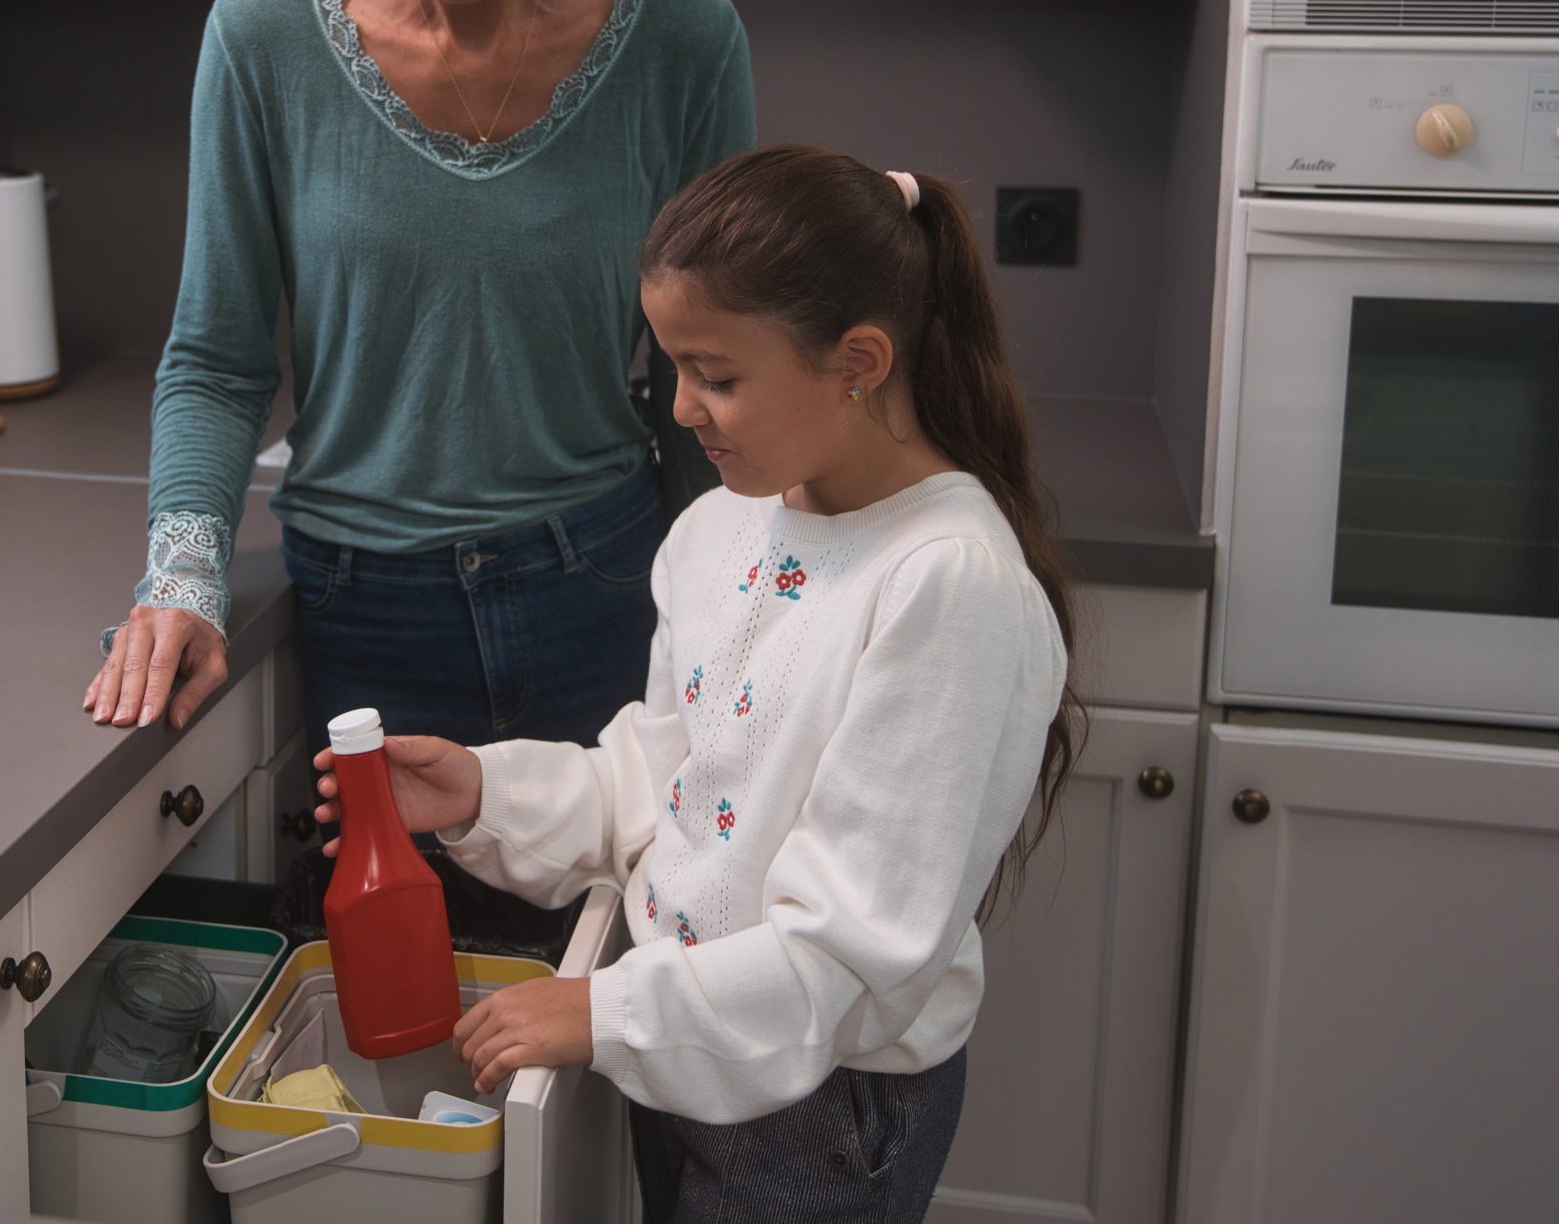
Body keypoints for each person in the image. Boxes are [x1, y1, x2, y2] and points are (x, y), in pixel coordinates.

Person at [310, 145, 1082, 1223]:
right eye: (669, 367)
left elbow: (852, 949)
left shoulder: (946, 587)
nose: (680, 408)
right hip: (691, 1056)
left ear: (857, 360)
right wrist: (485, 792)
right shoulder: (721, 527)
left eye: (717, 376)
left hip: (819, 1110)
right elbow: (667, 784)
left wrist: (606, 1015)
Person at [82, 0, 757, 754]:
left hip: (605, 583)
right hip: (358, 606)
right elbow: (219, 361)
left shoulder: (687, 44)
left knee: (606, 943)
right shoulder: (259, 44)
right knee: (387, 950)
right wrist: (178, 578)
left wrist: (726, 609)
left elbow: (708, 376)